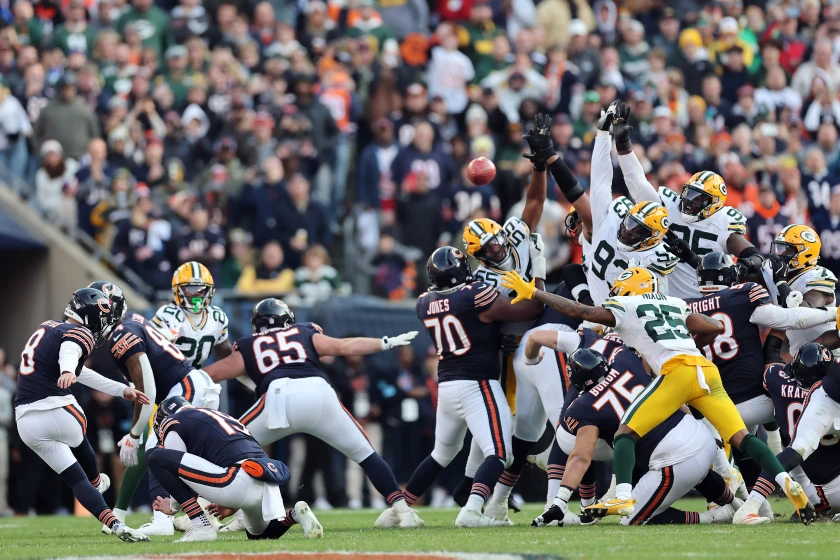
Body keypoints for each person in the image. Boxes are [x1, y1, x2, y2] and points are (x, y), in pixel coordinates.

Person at [501, 266, 815, 523]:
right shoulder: (675, 303)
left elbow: (581, 309)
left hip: (676, 372)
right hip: (705, 370)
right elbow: (711, 327)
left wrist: (536, 293)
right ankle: (787, 484)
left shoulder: (628, 305)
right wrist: (684, 341)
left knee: (625, 432)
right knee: (742, 438)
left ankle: (623, 494)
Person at [204, 298, 424, 530]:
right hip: (318, 394)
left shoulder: (249, 344)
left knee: (226, 447)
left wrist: (180, 374)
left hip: (279, 397)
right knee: (367, 455)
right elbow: (344, 347)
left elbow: (214, 373)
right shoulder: (304, 331)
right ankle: (403, 510)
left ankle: (198, 509)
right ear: (288, 319)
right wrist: (385, 342)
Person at [405, 246, 542, 527]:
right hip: (477, 383)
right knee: (500, 454)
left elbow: (473, 324)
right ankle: (472, 510)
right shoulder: (475, 294)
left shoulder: (423, 303)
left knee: (441, 454)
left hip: (446, 385)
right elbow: (532, 307)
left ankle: (399, 507)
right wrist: (538, 274)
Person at [531, 349, 743, 527]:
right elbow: (673, 393)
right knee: (700, 474)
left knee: (631, 518)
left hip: (674, 461)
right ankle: (737, 505)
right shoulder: (627, 360)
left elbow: (580, 458)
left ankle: (711, 517)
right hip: (699, 435)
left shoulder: (582, 408)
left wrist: (560, 501)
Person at [14, 287, 149, 542]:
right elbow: (71, 353)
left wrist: (121, 390)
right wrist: (66, 370)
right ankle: (97, 479)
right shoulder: (79, 331)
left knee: (76, 480)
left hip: (26, 422)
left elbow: (81, 372)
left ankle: (116, 524)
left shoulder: (49, 326)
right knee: (78, 431)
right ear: (93, 317)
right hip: (57, 408)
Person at [104, 283, 223, 536]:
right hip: (194, 385)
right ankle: (201, 512)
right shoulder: (135, 320)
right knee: (187, 455)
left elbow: (146, 392)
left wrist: (135, 434)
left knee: (156, 450)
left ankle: (162, 520)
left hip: (185, 388)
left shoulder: (121, 334)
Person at [610, 102, 761, 299]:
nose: (689, 201)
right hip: (667, 299)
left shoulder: (723, 222)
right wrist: (623, 144)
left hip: (708, 301)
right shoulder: (669, 206)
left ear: (713, 204)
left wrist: (740, 268)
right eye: (688, 193)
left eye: (697, 199)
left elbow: (756, 257)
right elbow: (637, 183)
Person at [147, 397, 323, 542]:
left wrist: (172, 506)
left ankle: (201, 527)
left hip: (236, 480)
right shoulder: (218, 415)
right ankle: (294, 514)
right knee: (261, 535)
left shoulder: (173, 422)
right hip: (265, 480)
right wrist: (227, 501)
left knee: (156, 457)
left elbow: (176, 470)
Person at [737, 343, 840, 524]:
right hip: (825, 476)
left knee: (793, 452)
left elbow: (772, 371)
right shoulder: (824, 398)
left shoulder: (777, 379)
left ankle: (751, 503)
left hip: (816, 484)